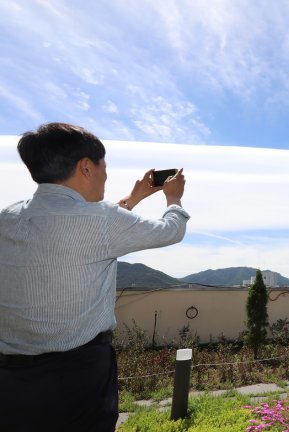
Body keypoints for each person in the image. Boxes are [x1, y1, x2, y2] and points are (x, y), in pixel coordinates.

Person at [0, 122, 190, 431]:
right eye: (104, 166)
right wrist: (174, 198)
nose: (105, 174)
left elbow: (93, 226)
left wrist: (134, 197)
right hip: (76, 376)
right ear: (86, 167)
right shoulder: (101, 220)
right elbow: (171, 230)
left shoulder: (7, 217)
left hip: (11, 380)